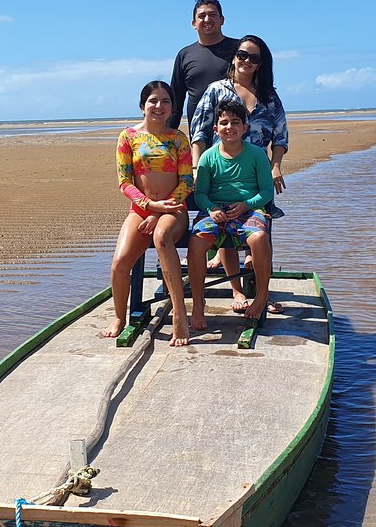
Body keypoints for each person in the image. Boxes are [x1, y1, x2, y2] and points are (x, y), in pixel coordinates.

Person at [189, 34, 288, 311]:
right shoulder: (217, 90)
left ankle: (261, 294)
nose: (247, 61)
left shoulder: (269, 95)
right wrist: (198, 167)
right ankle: (236, 291)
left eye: (254, 58)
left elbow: (280, 134)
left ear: (261, 64)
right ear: (234, 57)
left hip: (257, 173)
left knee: (259, 234)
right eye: (242, 55)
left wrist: (276, 165)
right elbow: (199, 131)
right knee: (228, 238)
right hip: (220, 172)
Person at [107, 81, 194, 346]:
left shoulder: (178, 138)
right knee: (120, 263)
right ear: (143, 106)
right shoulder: (128, 137)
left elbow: (187, 182)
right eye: (153, 101)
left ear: (172, 108)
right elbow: (124, 182)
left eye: (165, 101)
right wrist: (148, 206)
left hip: (173, 210)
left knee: (162, 237)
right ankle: (120, 317)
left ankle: (179, 314)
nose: (159, 106)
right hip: (140, 210)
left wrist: (161, 209)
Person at [188, 99, 275, 328]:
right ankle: (198, 303)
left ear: (245, 128)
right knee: (196, 243)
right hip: (215, 210)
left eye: (235, 122)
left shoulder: (256, 154)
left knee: (259, 238)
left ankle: (261, 296)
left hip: (248, 208)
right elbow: (201, 194)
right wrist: (211, 209)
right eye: (224, 122)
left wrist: (247, 204)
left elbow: (266, 191)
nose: (230, 127)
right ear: (215, 129)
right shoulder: (208, 156)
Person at [168, 0, 238, 130]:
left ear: (222, 20)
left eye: (212, 14)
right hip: (200, 134)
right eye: (202, 16)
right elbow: (176, 102)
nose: (207, 19)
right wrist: (168, 135)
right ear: (194, 23)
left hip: (235, 131)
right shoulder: (185, 55)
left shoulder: (239, 50)